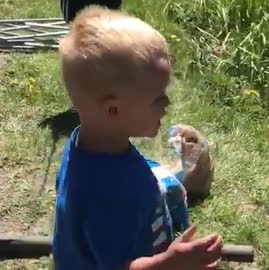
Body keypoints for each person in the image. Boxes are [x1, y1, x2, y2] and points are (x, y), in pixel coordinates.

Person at [53, 6, 223, 270]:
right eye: (158, 98)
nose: (167, 103)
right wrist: (170, 262)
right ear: (113, 110)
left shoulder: (87, 145)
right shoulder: (109, 194)